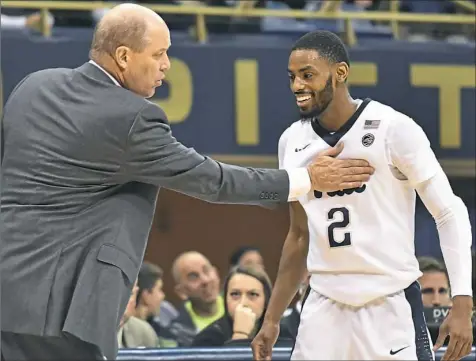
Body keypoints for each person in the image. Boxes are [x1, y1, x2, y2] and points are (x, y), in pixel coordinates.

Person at [0, 4, 373, 360]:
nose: (166, 65)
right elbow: (213, 181)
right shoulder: (131, 118)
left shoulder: (32, 87)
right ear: (125, 57)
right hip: (58, 312)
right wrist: (305, 179)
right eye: (159, 54)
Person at [251, 30, 473, 361]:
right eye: (292, 77)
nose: (297, 85)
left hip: (389, 303)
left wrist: (463, 300)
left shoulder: (393, 129)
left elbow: (449, 212)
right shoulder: (291, 141)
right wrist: (271, 319)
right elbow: (298, 236)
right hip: (323, 306)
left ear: (340, 73)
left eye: (307, 75)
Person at [192, 266, 293, 347]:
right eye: (235, 294)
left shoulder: (282, 334)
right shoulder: (207, 339)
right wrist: (240, 335)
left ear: (266, 301)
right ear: (225, 300)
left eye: (253, 294)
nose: (243, 303)